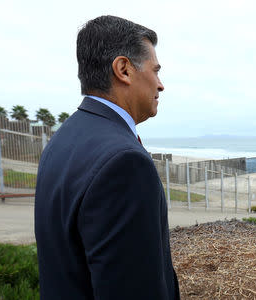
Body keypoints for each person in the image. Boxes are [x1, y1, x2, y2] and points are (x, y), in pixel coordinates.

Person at [35, 15, 180, 300]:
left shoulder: (64, 139)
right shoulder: (124, 162)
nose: (160, 85)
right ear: (124, 69)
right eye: (155, 70)